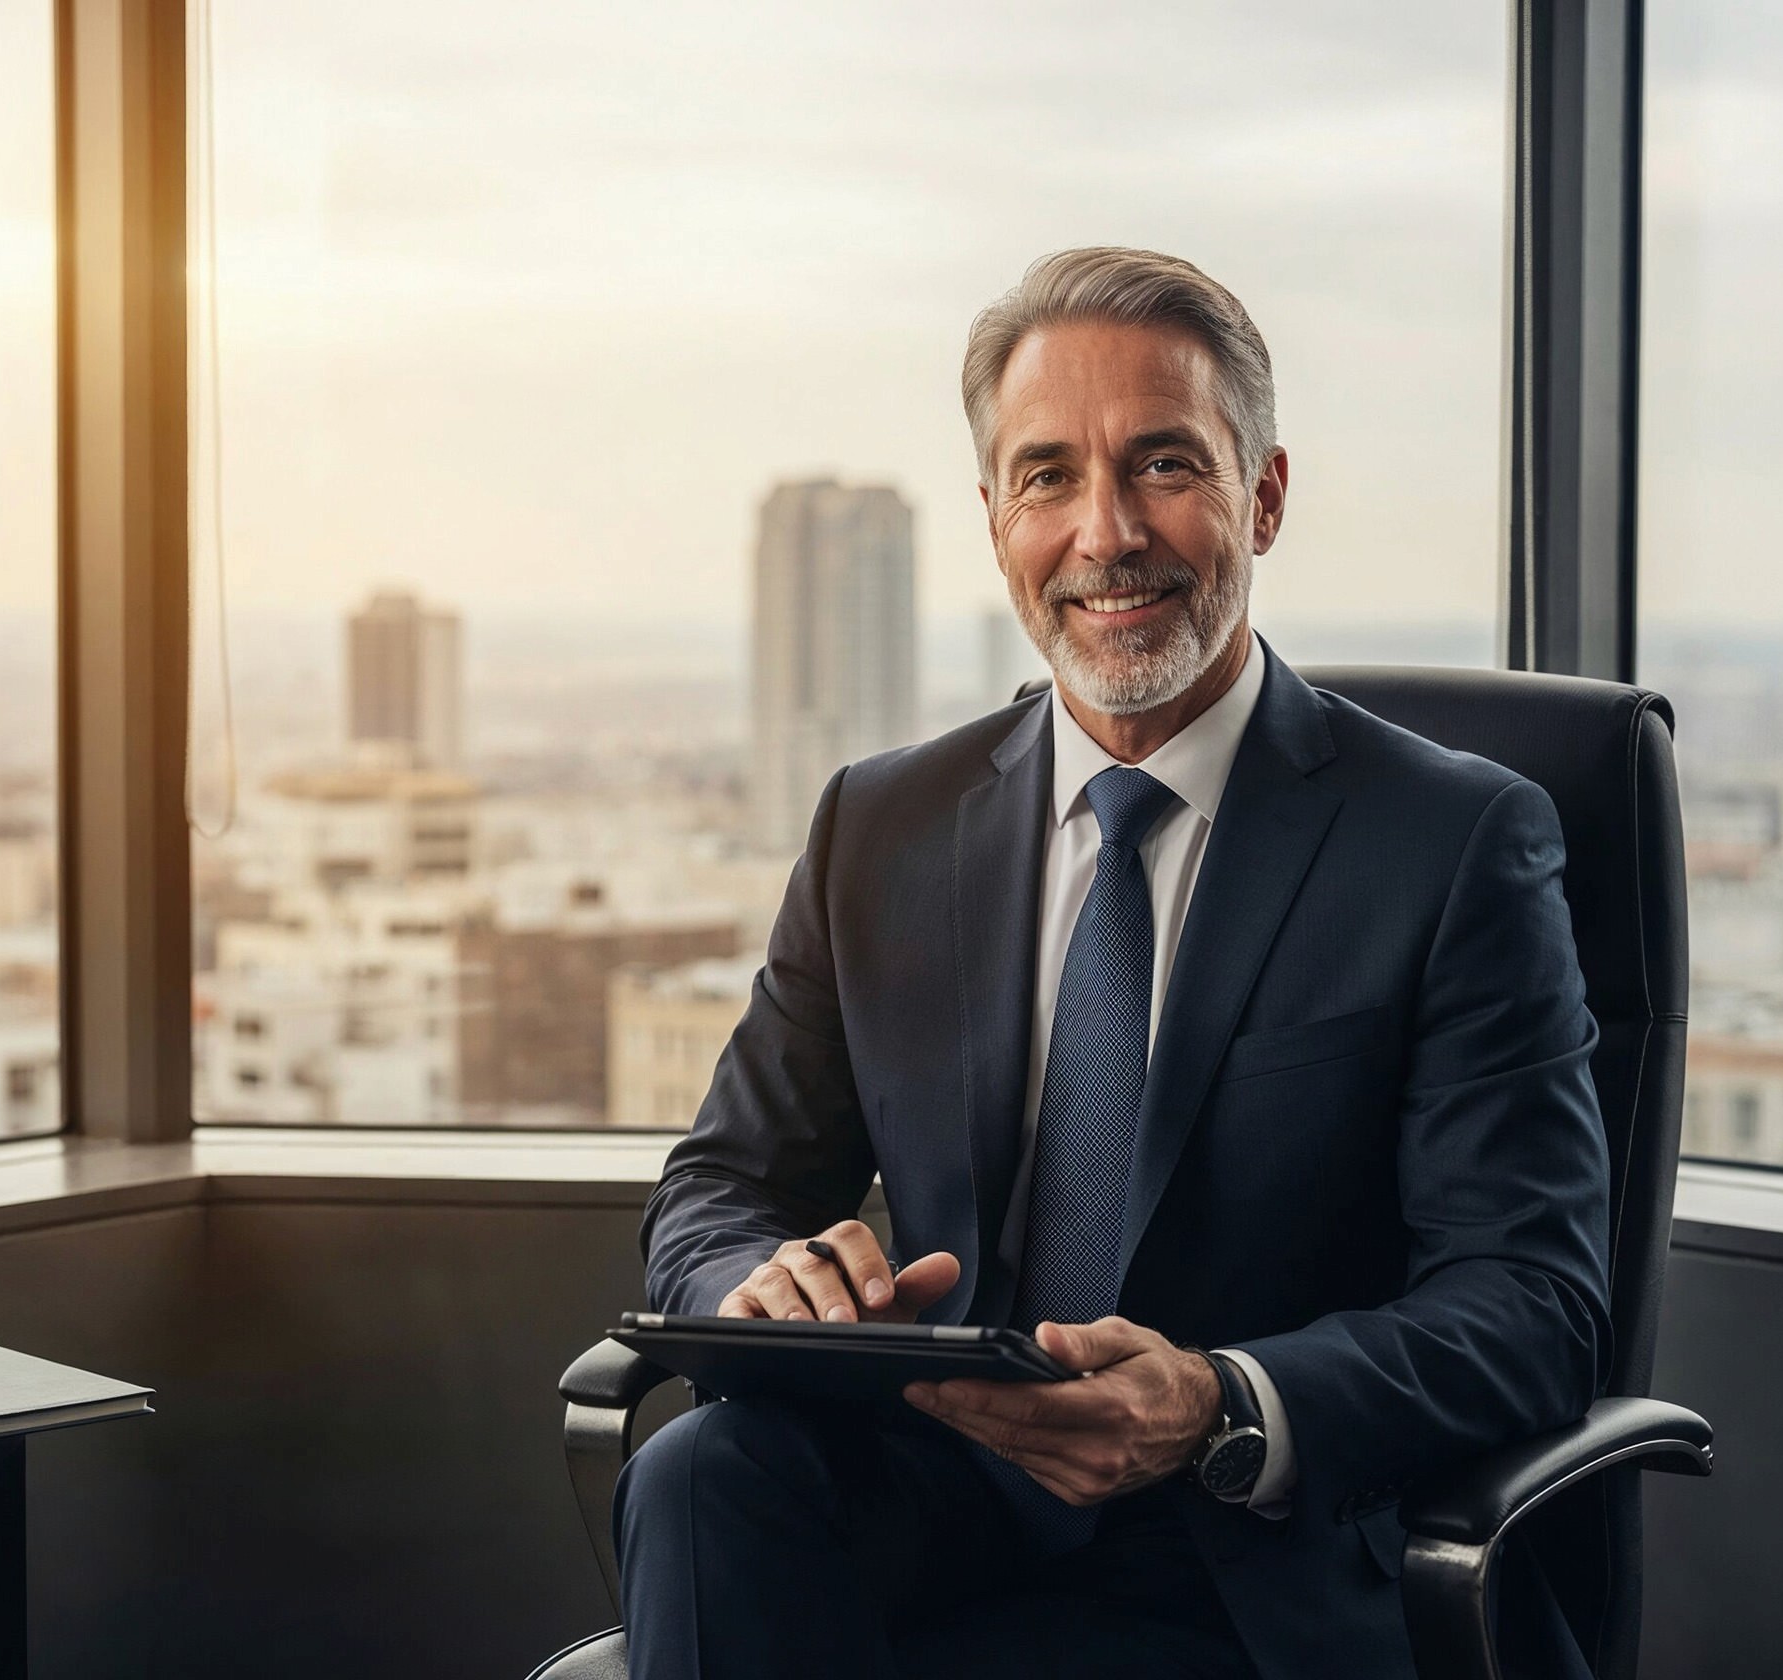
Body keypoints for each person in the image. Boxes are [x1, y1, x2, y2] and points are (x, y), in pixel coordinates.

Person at [615, 247, 1613, 1680]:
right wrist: (755, 1287)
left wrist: (1217, 1401)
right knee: (699, 1476)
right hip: (941, 1507)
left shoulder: (1453, 841)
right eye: (1048, 477)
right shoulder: (880, 828)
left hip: (1256, 1552)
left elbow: (1530, 1303)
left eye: (1163, 464)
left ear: (1264, 495)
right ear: (994, 519)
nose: (1106, 532)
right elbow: (722, 1186)